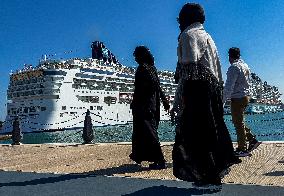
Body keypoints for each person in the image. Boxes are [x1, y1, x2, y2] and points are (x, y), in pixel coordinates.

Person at [171, 3, 240, 188]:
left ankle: (207, 175)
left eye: (180, 18)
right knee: (212, 130)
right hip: (213, 89)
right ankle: (214, 171)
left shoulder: (187, 35)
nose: (178, 22)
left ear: (186, 18)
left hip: (198, 89)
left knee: (196, 133)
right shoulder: (208, 36)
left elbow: (188, 71)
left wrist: (178, 102)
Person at [130, 46, 170, 170]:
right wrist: (164, 101)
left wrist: (135, 102)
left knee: (149, 133)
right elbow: (158, 87)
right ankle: (151, 158)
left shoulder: (143, 69)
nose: (135, 58)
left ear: (141, 56)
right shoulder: (152, 68)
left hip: (144, 106)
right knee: (146, 132)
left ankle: (160, 160)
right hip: (152, 105)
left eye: (136, 55)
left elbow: (140, 90)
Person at [223, 47, 260, 157]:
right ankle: (252, 140)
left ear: (230, 56)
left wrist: (222, 101)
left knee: (238, 123)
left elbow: (229, 88)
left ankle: (242, 149)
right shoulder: (245, 65)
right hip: (246, 97)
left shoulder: (233, 67)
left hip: (238, 98)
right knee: (240, 121)